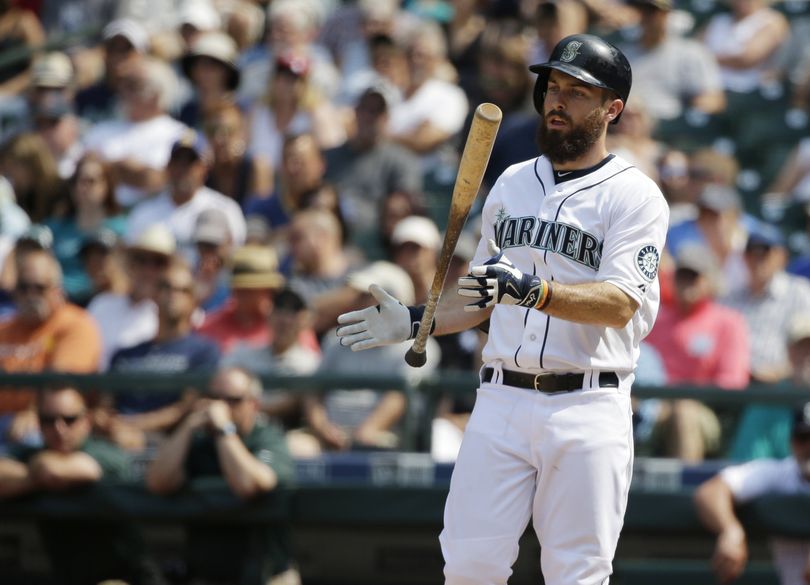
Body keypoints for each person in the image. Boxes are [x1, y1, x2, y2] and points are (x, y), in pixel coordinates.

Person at [337, 34, 669, 585]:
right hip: (500, 399)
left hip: (587, 402)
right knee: (468, 566)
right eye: (553, 87)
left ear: (613, 108)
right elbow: (481, 295)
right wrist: (420, 320)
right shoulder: (513, 183)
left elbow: (618, 303)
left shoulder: (635, 196)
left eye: (577, 91)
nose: (558, 100)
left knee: (577, 573)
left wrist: (533, 291)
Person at [145, 366, 298, 585]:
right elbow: (157, 483)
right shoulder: (199, 442)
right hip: (208, 574)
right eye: (212, 398)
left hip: (267, 573)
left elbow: (249, 485)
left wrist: (224, 430)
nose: (219, 406)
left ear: (253, 404)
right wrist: (187, 426)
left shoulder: (267, 437)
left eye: (232, 400)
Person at [0, 386, 163, 585]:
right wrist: (39, 474)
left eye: (69, 419)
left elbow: (75, 469)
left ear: (86, 420)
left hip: (127, 576)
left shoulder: (106, 452)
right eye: (49, 420)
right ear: (39, 422)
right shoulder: (32, 454)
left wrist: (33, 473)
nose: (59, 429)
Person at [644, 245, 750, 461]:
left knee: (685, 412)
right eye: (682, 276)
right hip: (652, 407)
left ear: (709, 281)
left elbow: (733, 383)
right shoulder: (655, 320)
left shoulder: (728, 322)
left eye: (694, 277)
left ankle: (686, 489)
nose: (686, 283)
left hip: (706, 412)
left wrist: (677, 399)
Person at [694, 401, 810, 585]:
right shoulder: (781, 472)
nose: (808, 446)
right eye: (803, 438)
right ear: (792, 441)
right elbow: (711, 491)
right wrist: (730, 530)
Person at [0, 249, 101, 447]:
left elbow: (60, 385)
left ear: (57, 289)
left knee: (31, 438)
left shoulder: (75, 324)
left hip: (45, 422)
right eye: (23, 287)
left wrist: (31, 412)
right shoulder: (5, 327)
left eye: (39, 287)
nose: (30, 295)